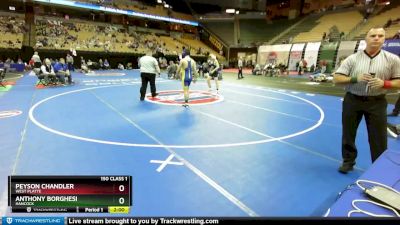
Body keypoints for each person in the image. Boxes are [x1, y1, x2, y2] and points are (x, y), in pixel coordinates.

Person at [333, 27, 400, 174]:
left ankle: (379, 166)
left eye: (380, 36)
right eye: (373, 35)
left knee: (379, 137)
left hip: (377, 102)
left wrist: (385, 83)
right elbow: (337, 78)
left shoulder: (393, 59)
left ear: (384, 39)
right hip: (353, 100)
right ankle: (348, 161)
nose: (376, 38)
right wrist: (355, 78)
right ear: (366, 39)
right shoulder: (352, 59)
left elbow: (399, 81)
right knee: (348, 133)